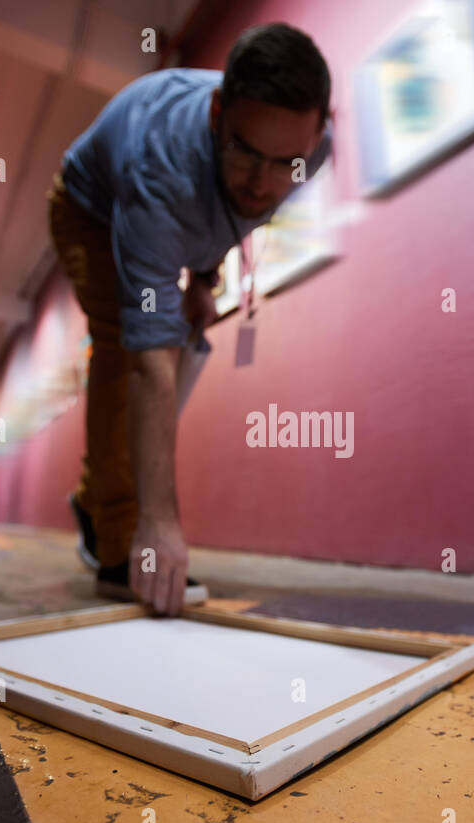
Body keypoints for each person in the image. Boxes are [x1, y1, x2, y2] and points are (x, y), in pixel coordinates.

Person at [47, 23, 333, 616]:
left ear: (316, 135)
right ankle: (120, 543)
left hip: (175, 222)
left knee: (174, 341)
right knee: (126, 349)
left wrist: (204, 278)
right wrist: (159, 524)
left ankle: (92, 497)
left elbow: (242, 211)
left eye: (286, 163)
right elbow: (151, 364)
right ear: (216, 112)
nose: (264, 182)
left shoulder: (315, 149)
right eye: (246, 152)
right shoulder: (160, 172)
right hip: (90, 209)